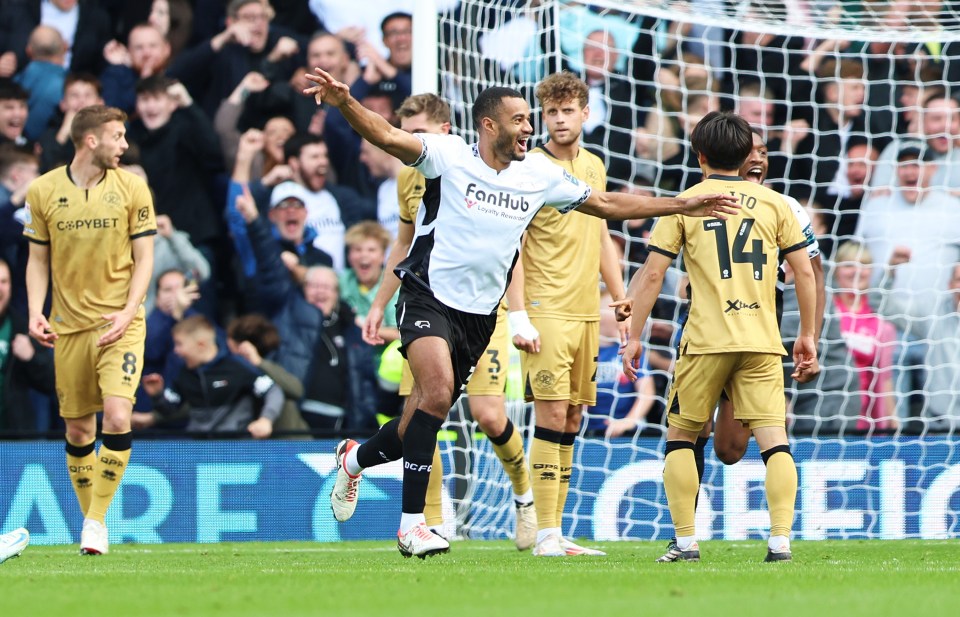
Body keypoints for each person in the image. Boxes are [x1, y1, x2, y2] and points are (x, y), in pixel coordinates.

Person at [302, 67, 740, 558]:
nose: (530, 128)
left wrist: (680, 204)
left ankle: (354, 459)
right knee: (439, 393)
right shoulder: (446, 156)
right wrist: (345, 103)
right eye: (521, 119)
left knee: (415, 425)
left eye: (531, 119)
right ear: (489, 126)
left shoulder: (539, 175)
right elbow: (385, 134)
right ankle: (412, 526)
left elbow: (608, 204)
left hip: (478, 316)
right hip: (427, 295)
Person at [620, 111, 818, 563]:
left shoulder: (685, 203)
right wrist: (806, 333)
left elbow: (652, 275)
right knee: (775, 440)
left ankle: (686, 542)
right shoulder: (776, 205)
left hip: (706, 340)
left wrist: (633, 336)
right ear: (747, 154)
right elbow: (804, 270)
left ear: (700, 156)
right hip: (762, 341)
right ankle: (781, 541)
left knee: (680, 438)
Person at [390, 93, 537, 549]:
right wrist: (378, 307)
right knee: (424, 411)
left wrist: (519, 316)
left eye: (420, 134)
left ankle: (524, 498)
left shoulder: (500, 174)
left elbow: (508, 253)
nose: (412, 142)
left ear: (447, 131)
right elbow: (404, 244)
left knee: (489, 415)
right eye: (407, 133)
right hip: (428, 301)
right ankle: (429, 521)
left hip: (483, 311)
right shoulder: (409, 177)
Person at [24, 104, 157, 556]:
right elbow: (37, 259)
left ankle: (96, 522)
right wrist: (33, 311)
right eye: (117, 136)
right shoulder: (42, 191)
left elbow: (146, 260)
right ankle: (90, 521)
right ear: (91, 140)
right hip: (68, 328)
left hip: (119, 324)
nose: (124, 145)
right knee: (79, 431)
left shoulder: (133, 188)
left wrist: (127, 311)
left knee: (117, 416)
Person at [510, 71, 630, 557]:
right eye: (551, 113)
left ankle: (554, 533)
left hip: (584, 310)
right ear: (543, 118)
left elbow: (602, 234)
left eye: (567, 111)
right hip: (544, 308)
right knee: (552, 412)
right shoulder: (529, 169)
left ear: (585, 113)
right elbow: (512, 244)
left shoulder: (594, 166)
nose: (559, 120)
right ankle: (543, 535)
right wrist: (518, 314)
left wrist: (620, 298)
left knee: (574, 417)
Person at [142, 315, 284, 437]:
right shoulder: (184, 374)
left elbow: (273, 391)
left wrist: (266, 420)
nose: (176, 351)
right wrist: (157, 396)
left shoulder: (237, 367)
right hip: (199, 450)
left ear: (201, 345)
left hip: (236, 449)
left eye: (179, 344)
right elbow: (170, 409)